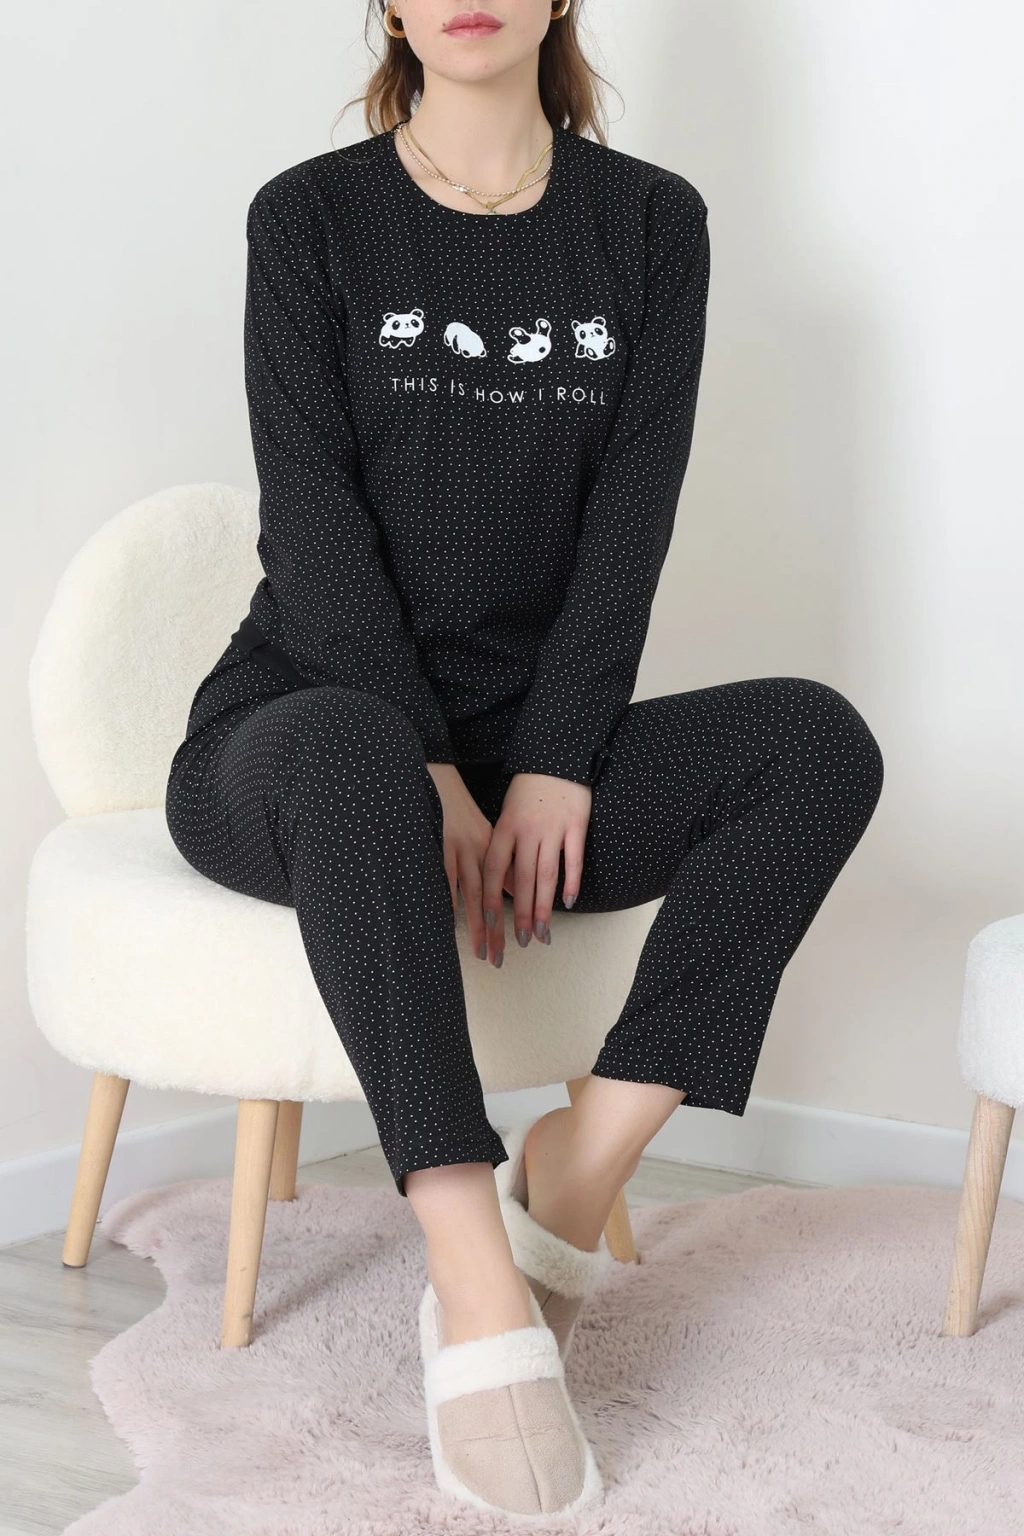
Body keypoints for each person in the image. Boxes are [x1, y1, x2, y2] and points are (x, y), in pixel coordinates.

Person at [165, 0, 884, 1517]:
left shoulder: (651, 224)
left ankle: (576, 1168)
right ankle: (475, 1268)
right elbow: (315, 524)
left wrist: (556, 759)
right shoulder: (310, 218)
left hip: (531, 757)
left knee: (812, 745)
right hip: (302, 734)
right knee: (356, 750)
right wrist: (428, 762)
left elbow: (631, 525)